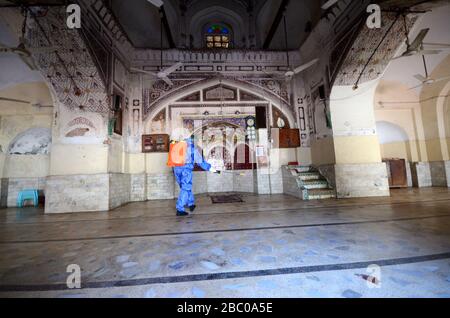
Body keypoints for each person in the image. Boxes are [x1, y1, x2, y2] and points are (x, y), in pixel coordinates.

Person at [170, 134, 219, 216]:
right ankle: (180, 209)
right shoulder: (192, 148)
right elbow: (200, 161)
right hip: (185, 170)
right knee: (186, 188)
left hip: (176, 169)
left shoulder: (178, 145)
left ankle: (191, 204)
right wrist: (211, 169)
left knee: (185, 187)